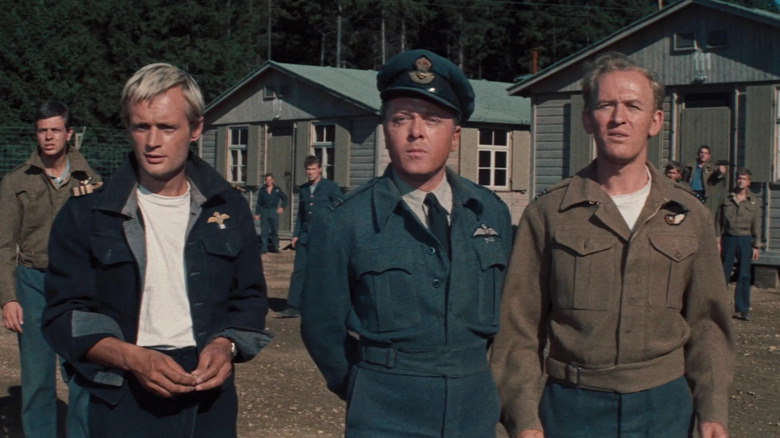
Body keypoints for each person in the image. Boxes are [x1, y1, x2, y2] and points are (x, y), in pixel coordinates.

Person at [490, 52, 734, 438]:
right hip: (572, 405)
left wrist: (712, 409)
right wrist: (523, 416)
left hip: (665, 405)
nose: (619, 118)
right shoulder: (550, 213)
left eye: (633, 106)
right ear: (588, 120)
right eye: (606, 105)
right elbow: (518, 327)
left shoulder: (689, 214)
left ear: (655, 121)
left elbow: (708, 325)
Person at [41, 63, 271, 437]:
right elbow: (62, 316)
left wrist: (225, 344)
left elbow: (249, 297)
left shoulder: (228, 207)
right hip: (123, 395)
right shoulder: (87, 214)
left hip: (208, 399)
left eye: (167, 127)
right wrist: (132, 358)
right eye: (141, 126)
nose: (152, 142)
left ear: (196, 128)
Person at [299, 49, 512, 437]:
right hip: (385, 411)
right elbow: (321, 327)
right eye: (401, 119)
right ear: (385, 129)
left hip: (473, 410)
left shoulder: (490, 213)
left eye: (432, 120)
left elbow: (512, 323)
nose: (416, 132)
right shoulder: (346, 220)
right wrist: (367, 386)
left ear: (455, 135)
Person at [0, 101, 97, 438]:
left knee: (83, 372)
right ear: (36, 134)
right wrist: (8, 299)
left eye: (56, 130)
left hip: (77, 287)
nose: (49, 137)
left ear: (68, 133)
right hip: (32, 283)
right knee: (37, 378)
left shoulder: (91, 179)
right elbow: (2, 245)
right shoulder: (15, 182)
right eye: (43, 130)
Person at [276, 155, 342, 318]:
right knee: (299, 270)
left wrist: (328, 218)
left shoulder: (330, 187)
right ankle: (293, 305)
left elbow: (340, 205)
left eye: (313, 169)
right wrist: (295, 234)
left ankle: (324, 305)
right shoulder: (304, 189)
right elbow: (301, 214)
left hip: (324, 236)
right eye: (308, 169)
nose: (310, 172)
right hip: (305, 235)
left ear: (320, 169)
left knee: (322, 271)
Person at [717, 168, 763, 321]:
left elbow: (756, 224)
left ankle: (742, 309)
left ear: (749, 182)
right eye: (739, 178)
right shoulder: (727, 198)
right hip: (728, 238)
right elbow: (718, 221)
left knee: (744, 275)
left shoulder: (754, 201)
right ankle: (719, 308)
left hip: (745, 239)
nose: (740, 181)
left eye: (744, 179)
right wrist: (717, 240)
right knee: (723, 273)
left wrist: (756, 245)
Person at [682, 145, 728, 215]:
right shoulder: (690, 165)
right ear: (698, 154)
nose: (703, 155)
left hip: (703, 193)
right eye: (701, 153)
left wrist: (721, 171)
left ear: (708, 156)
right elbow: (683, 179)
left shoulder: (711, 167)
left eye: (706, 153)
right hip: (690, 191)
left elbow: (718, 176)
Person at [254, 173, 288, 254]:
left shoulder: (277, 189)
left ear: (273, 180)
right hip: (264, 210)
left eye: (270, 180)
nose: (268, 181)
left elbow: (285, 198)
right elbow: (259, 203)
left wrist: (282, 207)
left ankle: (275, 247)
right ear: (265, 181)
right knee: (264, 231)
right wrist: (256, 213)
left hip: (273, 210)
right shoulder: (262, 190)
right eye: (267, 180)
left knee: (274, 230)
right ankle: (264, 248)